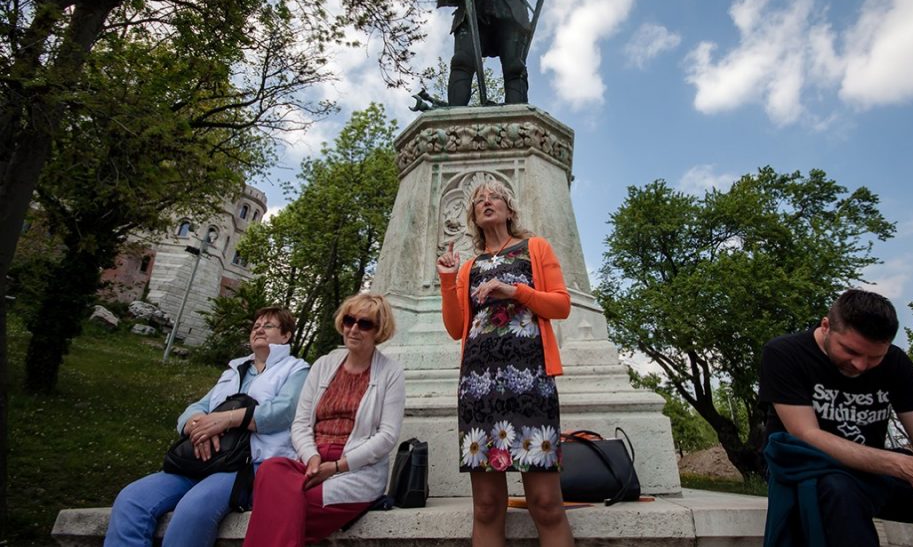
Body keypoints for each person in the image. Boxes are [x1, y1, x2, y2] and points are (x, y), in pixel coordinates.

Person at [758, 289, 913, 547]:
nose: (860, 365)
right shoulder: (785, 353)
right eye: (850, 351)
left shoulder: (896, 362)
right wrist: (902, 465)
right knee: (838, 491)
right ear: (826, 327)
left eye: (874, 357)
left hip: (872, 468)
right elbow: (807, 434)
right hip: (809, 467)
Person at [437, 179, 575, 547]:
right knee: (485, 506)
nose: (486, 201)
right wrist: (448, 279)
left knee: (545, 503)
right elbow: (455, 328)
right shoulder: (470, 267)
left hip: (531, 382)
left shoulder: (535, 248)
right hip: (478, 387)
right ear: (473, 217)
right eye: (479, 200)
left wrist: (515, 291)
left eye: (494, 196)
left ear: (509, 209)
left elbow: (561, 305)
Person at [105, 307, 309, 547]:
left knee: (193, 508)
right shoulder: (234, 370)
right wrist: (198, 428)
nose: (259, 330)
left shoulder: (297, 370)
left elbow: (283, 411)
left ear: (285, 336)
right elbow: (197, 407)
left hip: (249, 464)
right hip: (202, 459)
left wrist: (226, 419)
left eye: (268, 326)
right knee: (131, 499)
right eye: (256, 326)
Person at [242, 293, 405, 547]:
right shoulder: (324, 365)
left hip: (355, 469)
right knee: (270, 470)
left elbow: (387, 436)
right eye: (349, 320)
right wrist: (312, 458)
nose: (353, 329)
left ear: (379, 331)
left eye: (364, 324)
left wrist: (337, 467)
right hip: (312, 463)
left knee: (287, 506)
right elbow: (300, 423)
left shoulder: (390, 372)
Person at [437, 0, 534, 106]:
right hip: (471, 12)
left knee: (515, 68)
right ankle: (454, 113)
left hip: (509, 12)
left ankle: (517, 114)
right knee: (461, 62)